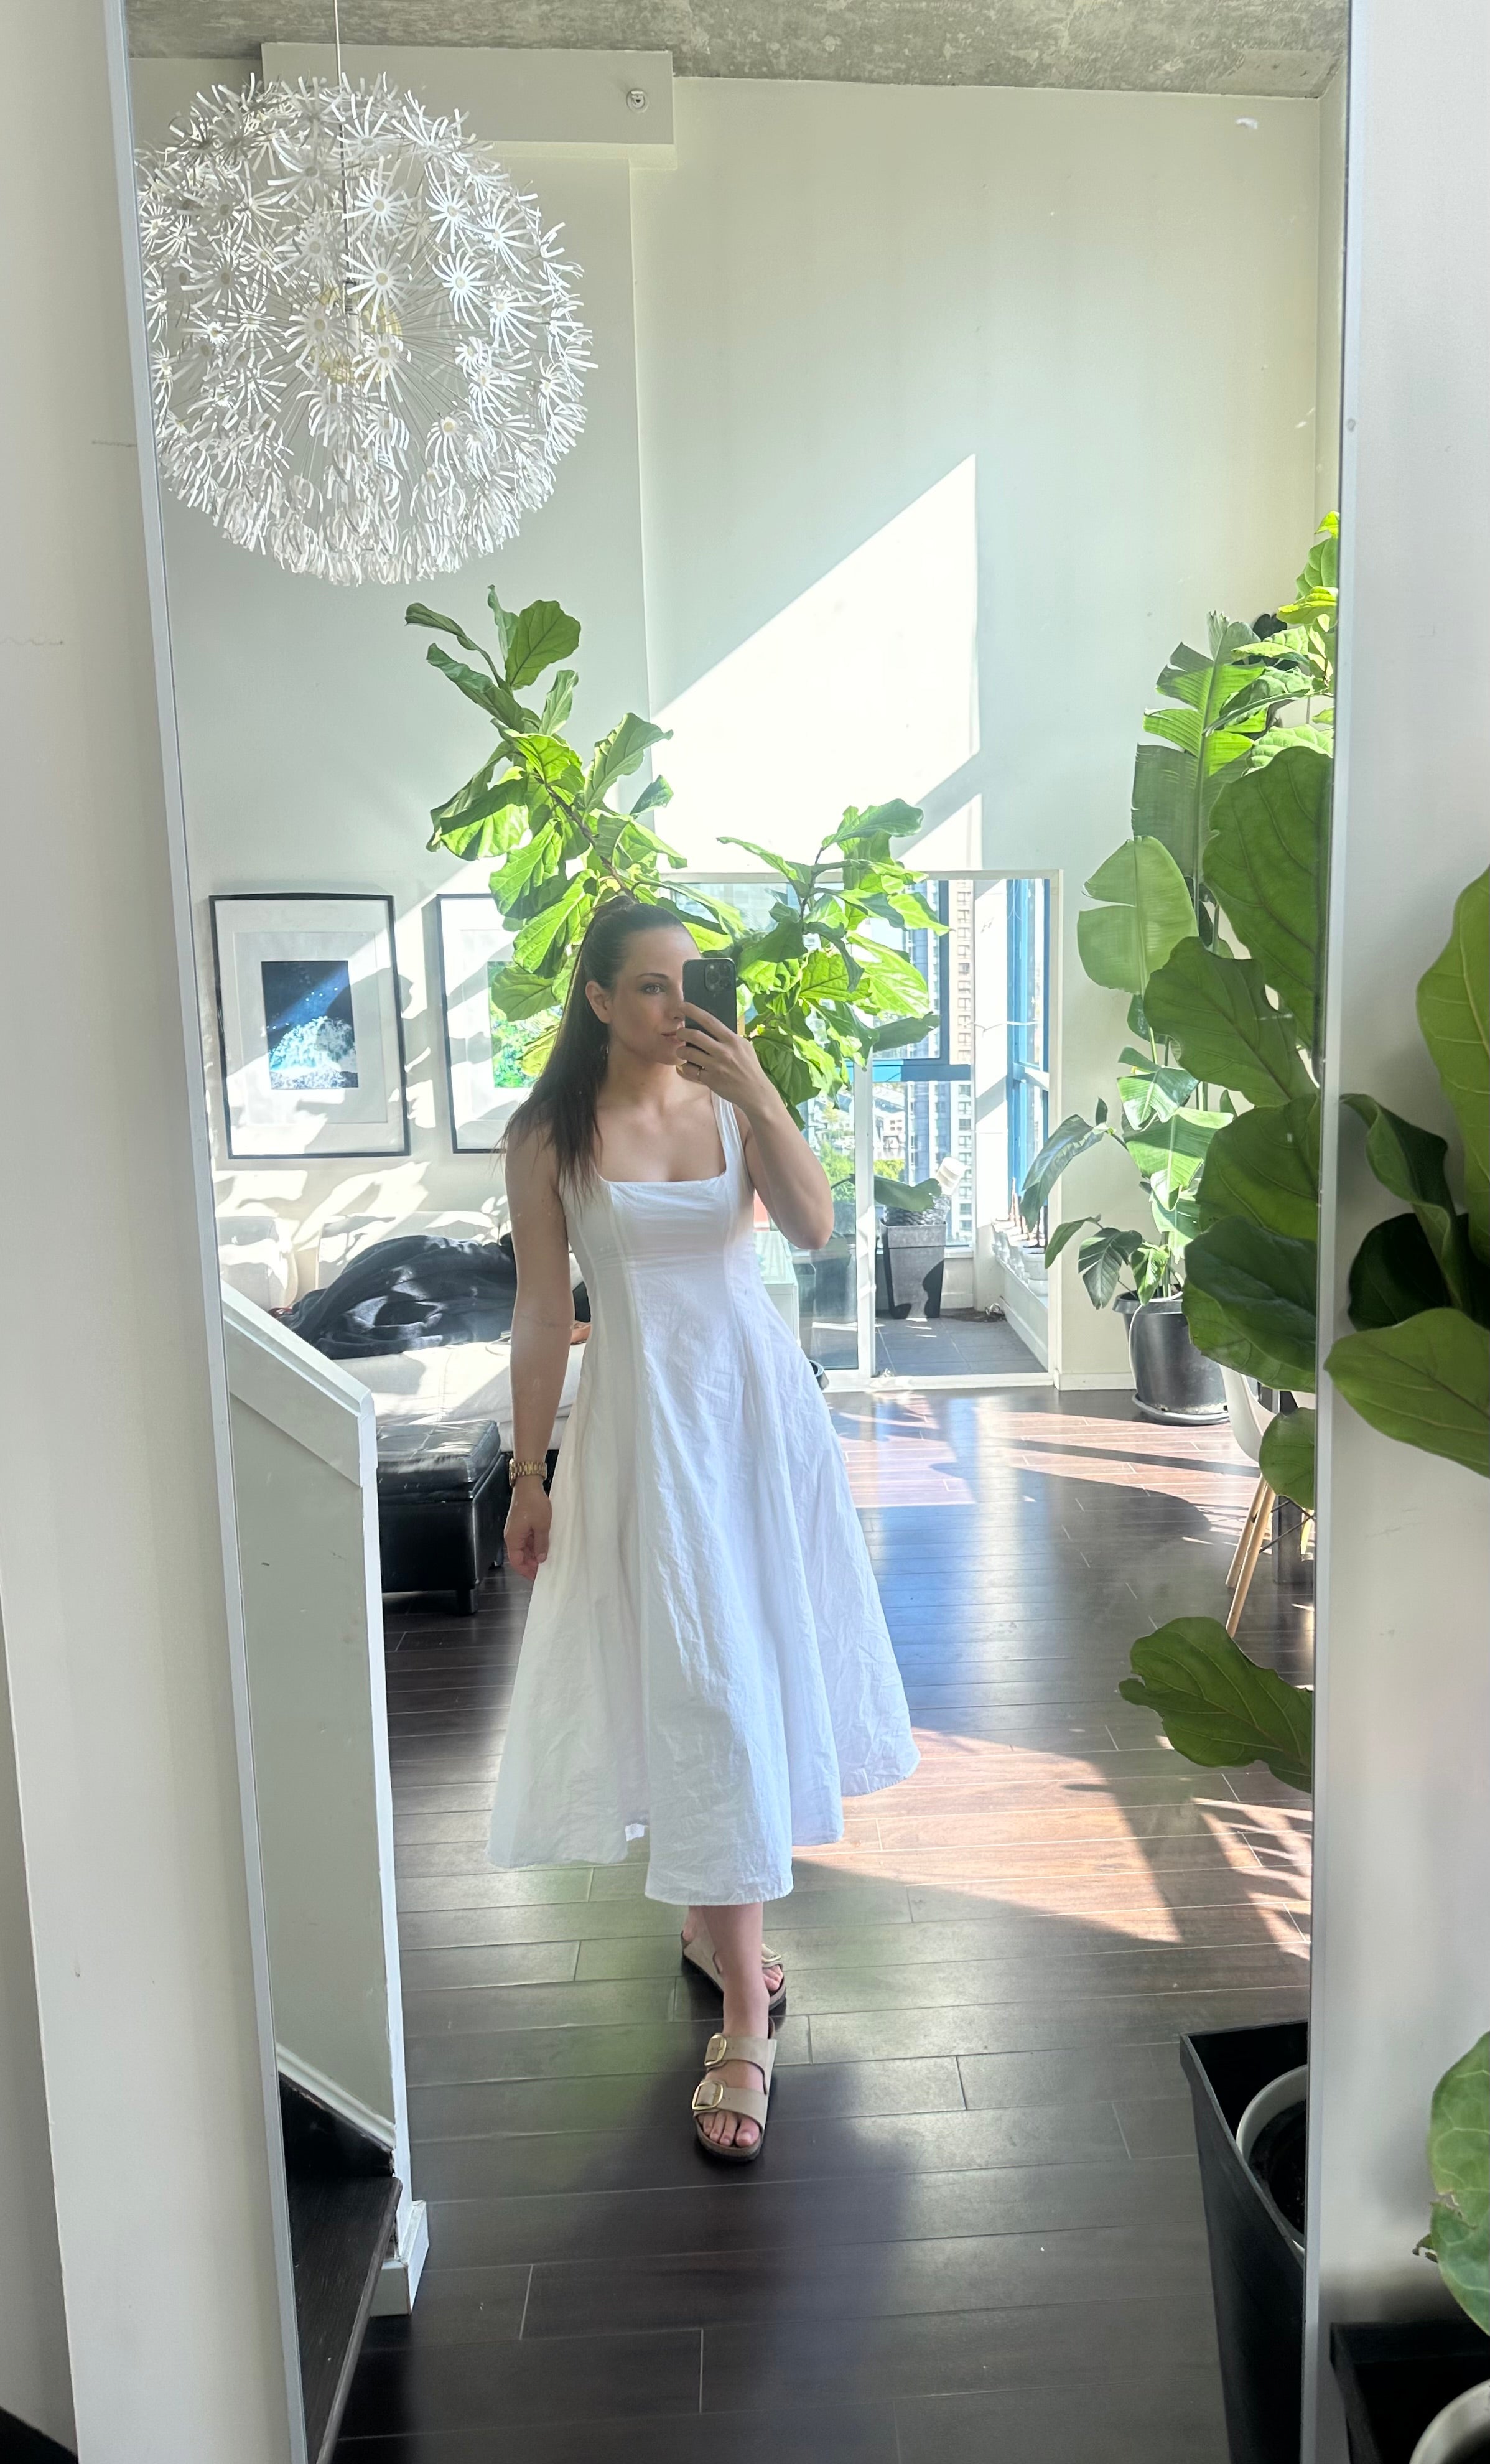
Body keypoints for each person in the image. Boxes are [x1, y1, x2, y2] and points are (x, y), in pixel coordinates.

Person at [487, 894, 916, 2161]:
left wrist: (766, 1091)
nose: (682, 1006)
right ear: (600, 1001)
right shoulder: (547, 1135)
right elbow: (532, 1315)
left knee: (739, 1673)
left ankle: (726, 1967)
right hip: (640, 1431)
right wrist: (529, 1475)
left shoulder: (735, 1097)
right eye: (656, 987)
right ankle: (739, 1980)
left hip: (751, 1417)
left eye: (694, 983)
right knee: (694, 1681)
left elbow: (814, 1227)